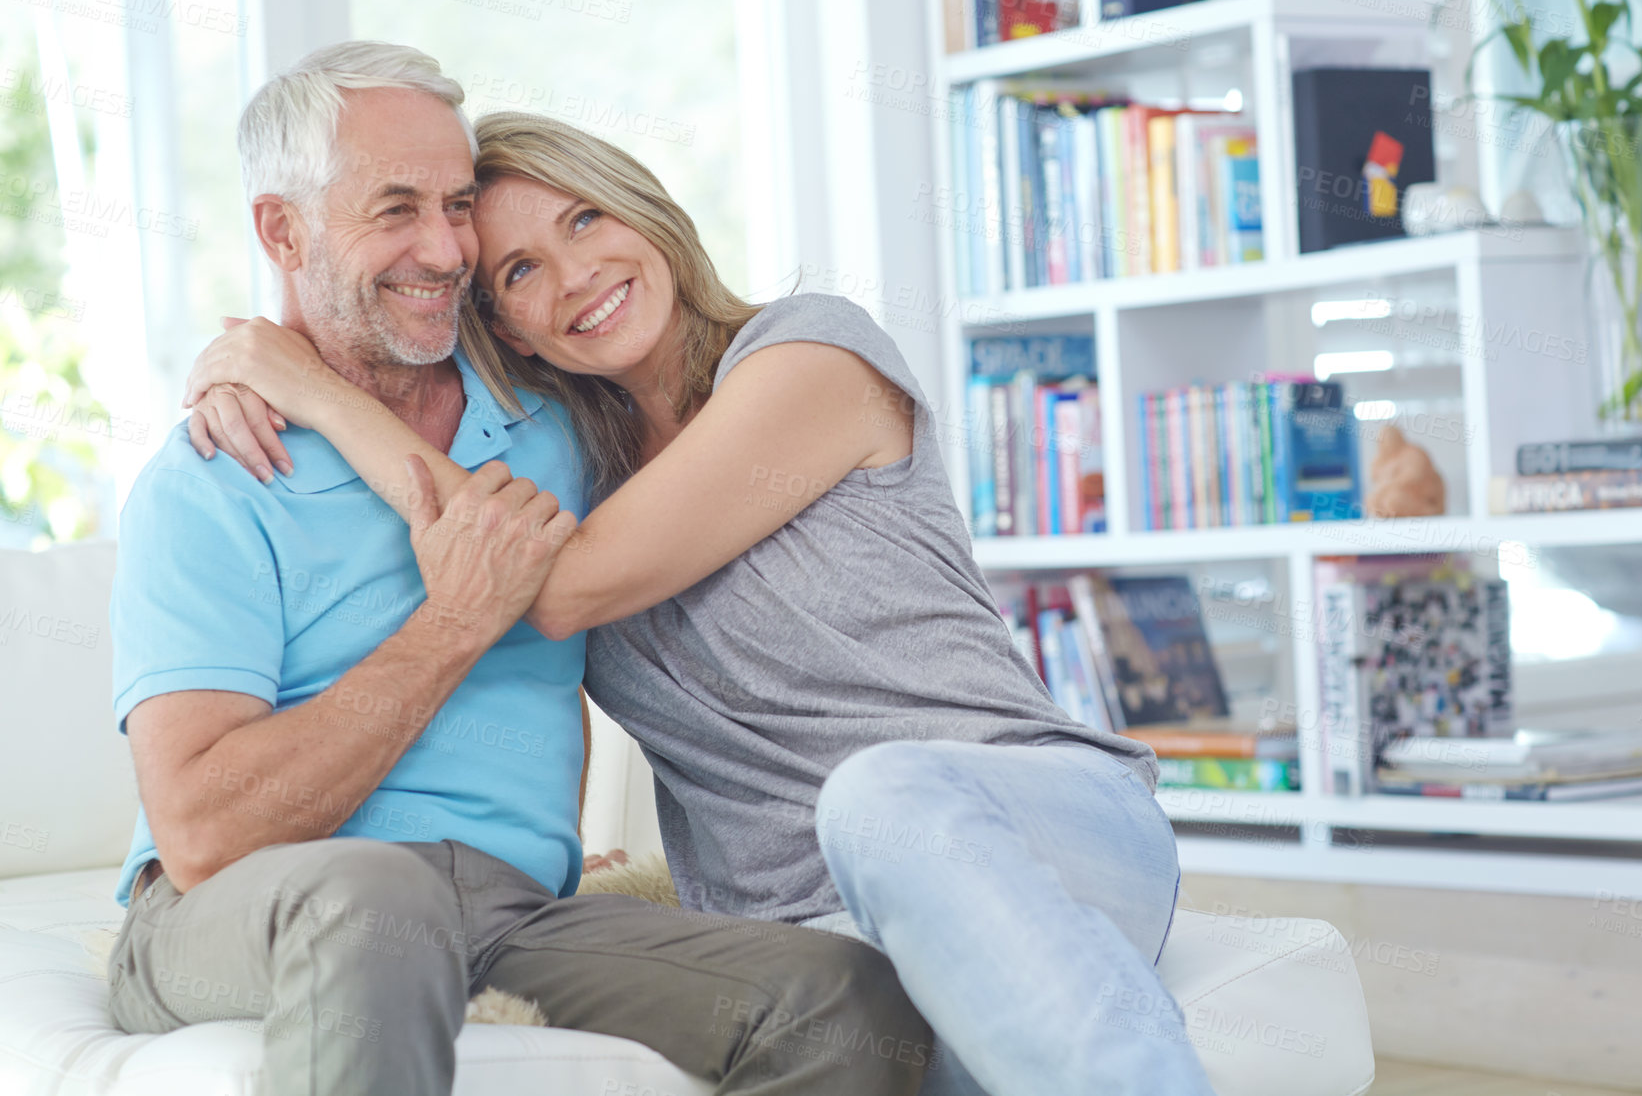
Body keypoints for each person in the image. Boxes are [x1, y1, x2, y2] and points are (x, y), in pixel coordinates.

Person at [186, 85, 1218, 1096]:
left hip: (1031, 825)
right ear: (513, 333)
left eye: (586, 216)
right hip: (813, 925)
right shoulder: (574, 481)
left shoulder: (811, 351)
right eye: (520, 271)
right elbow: (543, 662)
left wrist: (302, 384)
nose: (578, 272)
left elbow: (552, 592)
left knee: (883, 793)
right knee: (844, 1018)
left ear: (644, 211)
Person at [108, 40, 932, 1096]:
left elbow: (586, 640)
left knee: (840, 998)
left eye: (458, 207)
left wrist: (551, 839)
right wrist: (450, 623)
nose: (446, 247)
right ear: (282, 228)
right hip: (243, 910)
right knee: (377, 898)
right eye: (396, 207)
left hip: (506, 911)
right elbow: (201, 834)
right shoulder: (218, 478)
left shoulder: (554, 431)